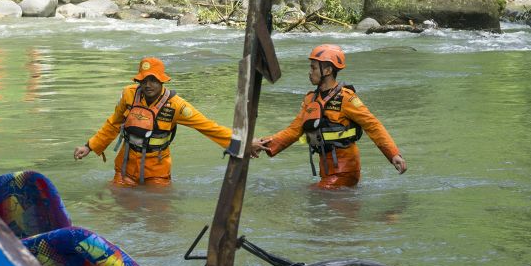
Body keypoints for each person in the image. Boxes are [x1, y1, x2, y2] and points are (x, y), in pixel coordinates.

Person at [251, 45, 406, 189]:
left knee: (314, 195)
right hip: (326, 170)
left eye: (313, 67)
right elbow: (293, 131)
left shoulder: (347, 98)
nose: (310, 72)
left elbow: (373, 126)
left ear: (327, 71)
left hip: (346, 171)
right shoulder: (310, 99)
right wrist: (262, 144)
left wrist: (393, 154)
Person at [74, 57, 231, 186]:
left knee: (157, 215)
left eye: (153, 80)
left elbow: (208, 126)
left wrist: (242, 143)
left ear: (162, 81)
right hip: (125, 167)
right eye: (144, 80)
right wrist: (89, 146)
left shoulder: (176, 105)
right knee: (118, 212)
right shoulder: (128, 95)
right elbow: (113, 124)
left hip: (157, 171)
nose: (148, 85)